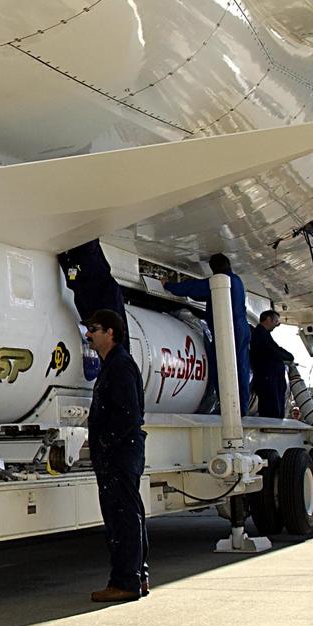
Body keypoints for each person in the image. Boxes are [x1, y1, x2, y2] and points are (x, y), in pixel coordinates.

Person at [84, 308, 149, 603]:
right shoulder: (116, 364)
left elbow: (128, 414)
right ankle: (137, 576)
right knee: (128, 514)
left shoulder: (120, 366)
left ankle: (125, 581)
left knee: (121, 517)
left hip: (120, 454)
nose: (89, 334)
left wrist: (105, 444)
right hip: (123, 452)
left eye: (94, 329)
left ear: (110, 332)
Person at [165, 254, 250, 414]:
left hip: (228, 328)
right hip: (242, 327)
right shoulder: (237, 280)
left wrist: (168, 285)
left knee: (223, 366)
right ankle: (241, 407)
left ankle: (228, 406)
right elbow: (200, 293)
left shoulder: (220, 280)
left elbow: (193, 289)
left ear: (214, 269)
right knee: (241, 367)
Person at [58, 239, 127, 329]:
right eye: (92, 330)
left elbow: (74, 283)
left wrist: (66, 262)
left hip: (82, 263)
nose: (88, 334)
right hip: (89, 262)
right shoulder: (109, 304)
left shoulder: (90, 314)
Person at [250, 310, 295, 419]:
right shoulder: (260, 335)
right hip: (268, 380)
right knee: (272, 410)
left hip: (270, 380)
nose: (276, 325)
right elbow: (274, 351)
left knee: (274, 409)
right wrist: (289, 356)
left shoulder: (263, 335)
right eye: (276, 321)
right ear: (268, 319)